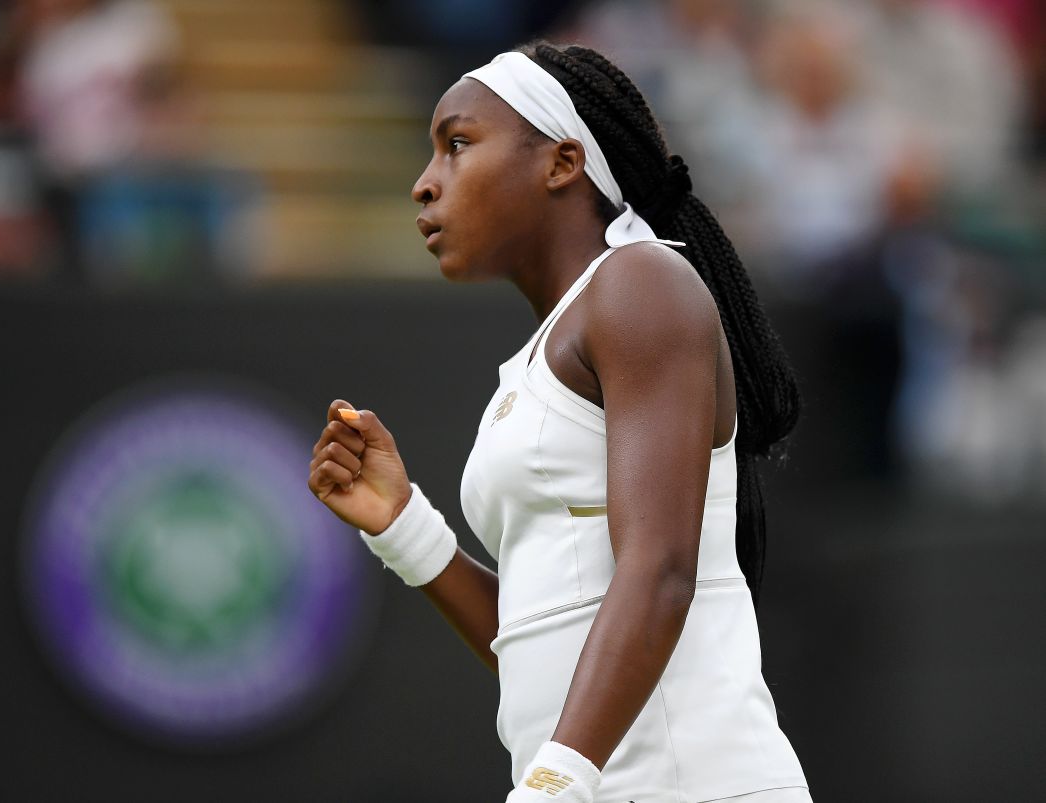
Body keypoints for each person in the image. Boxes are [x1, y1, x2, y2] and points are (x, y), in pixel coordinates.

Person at [308, 41, 809, 803]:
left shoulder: (642, 283)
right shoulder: (542, 358)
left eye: (458, 145)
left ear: (562, 162)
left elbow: (660, 570)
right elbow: (544, 644)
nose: (423, 184)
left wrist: (553, 784)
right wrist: (405, 526)